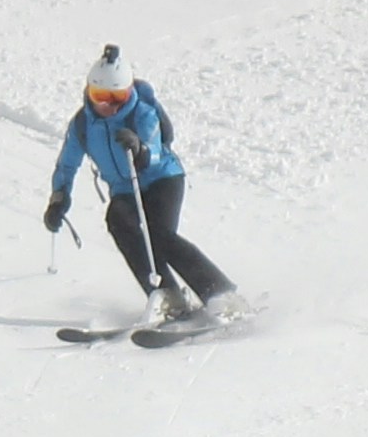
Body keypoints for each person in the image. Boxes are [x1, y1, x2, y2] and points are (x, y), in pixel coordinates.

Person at [42, 44, 234, 321]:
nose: (109, 105)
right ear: (89, 92)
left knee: (158, 236)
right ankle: (167, 295)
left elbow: (154, 150)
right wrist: (59, 198)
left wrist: (140, 150)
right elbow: (67, 164)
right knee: (118, 221)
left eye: (117, 96)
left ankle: (221, 294)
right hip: (124, 189)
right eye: (101, 96)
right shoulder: (83, 125)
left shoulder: (141, 113)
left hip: (162, 179)